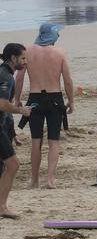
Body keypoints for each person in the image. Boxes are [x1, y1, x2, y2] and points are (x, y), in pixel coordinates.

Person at [14, 23, 74, 190]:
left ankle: (34, 181)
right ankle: (50, 180)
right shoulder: (60, 53)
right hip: (55, 99)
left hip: (35, 99)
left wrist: (17, 99)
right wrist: (71, 101)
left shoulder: (28, 51)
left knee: (36, 141)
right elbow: (68, 80)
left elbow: (19, 78)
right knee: (54, 141)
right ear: (52, 35)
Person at [0, 44, 30, 219]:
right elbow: (2, 104)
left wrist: (12, 131)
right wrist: (21, 110)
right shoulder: (6, 76)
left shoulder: (5, 73)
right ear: (13, 58)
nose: (25, 62)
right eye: (23, 58)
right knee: (13, 164)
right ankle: (2, 207)